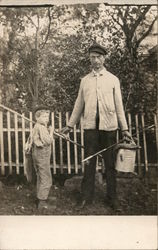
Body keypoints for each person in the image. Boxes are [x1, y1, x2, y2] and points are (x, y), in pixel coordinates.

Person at [61, 43, 132, 210]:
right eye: (92, 57)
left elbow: (119, 106)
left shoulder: (113, 80)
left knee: (110, 165)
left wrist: (125, 130)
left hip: (109, 129)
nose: (95, 60)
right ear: (89, 59)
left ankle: (112, 199)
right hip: (90, 129)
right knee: (89, 163)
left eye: (98, 57)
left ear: (104, 58)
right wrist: (69, 126)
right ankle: (86, 198)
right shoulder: (85, 81)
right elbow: (79, 104)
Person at [31, 106, 55, 210]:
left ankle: (40, 197)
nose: (47, 119)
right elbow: (48, 141)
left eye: (47, 117)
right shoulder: (41, 127)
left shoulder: (38, 126)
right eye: (44, 117)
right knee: (46, 177)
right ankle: (42, 202)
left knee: (40, 176)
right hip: (42, 155)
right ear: (37, 118)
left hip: (38, 154)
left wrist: (48, 130)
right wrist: (51, 131)